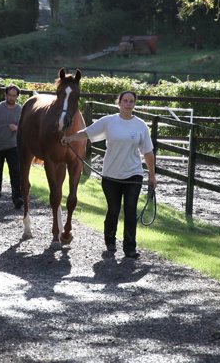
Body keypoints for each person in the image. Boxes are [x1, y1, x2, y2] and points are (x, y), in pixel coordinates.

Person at [61, 90, 155, 258]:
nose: (128, 104)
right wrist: (70, 138)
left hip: (133, 174)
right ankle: (110, 240)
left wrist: (152, 176)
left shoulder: (140, 125)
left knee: (130, 210)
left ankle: (130, 247)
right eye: (125, 101)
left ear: (134, 104)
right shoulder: (108, 121)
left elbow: (148, 152)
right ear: (119, 103)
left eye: (131, 101)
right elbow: (87, 132)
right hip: (111, 174)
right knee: (113, 209)